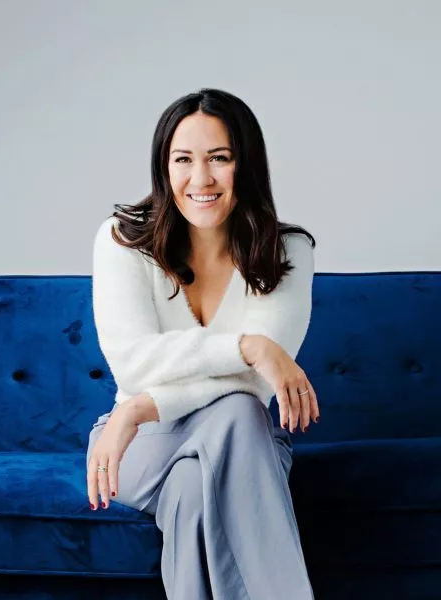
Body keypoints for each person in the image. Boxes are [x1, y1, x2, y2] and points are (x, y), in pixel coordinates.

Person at [87, 88, 319, 599]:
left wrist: (138, 407)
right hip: (141, 444)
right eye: (183, 160)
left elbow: (255, 385)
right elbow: (134, 364)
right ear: (163, 168)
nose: (201, 179)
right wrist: (248, 346)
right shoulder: (122, 241)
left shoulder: (288, 250)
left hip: (227, 435)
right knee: (236, 408)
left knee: (198, 479)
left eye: (219, 158)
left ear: (246, 165)